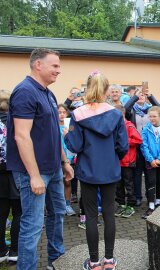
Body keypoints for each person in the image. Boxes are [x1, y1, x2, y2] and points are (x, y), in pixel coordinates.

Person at [6, 48, 74, 270]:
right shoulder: (25, 92)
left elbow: (54, 131)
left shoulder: (48, 93)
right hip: (33, 173)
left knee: (57, 215)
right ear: (38, 65)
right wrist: (34, 176)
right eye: (54, 66)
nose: (59, 71)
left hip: (53, 168)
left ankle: (56, 262)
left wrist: (64, 162)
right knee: (33, 225)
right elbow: (21, 136)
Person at [65, 71, 128, 270]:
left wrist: (68, 136)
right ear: (107, 90)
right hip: (109, 169)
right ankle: (109, 260)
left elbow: (74, 146)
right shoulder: (116, 114)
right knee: (109, 213)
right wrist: (111, 157)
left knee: (91, 216)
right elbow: (123, 146)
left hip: (88, 170)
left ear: (88, 87)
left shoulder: (78, 114)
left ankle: (94, 262)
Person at [125, 87, 160, 207]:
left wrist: (150, 96)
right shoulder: (132, 111)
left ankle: (150, 197)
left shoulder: (150, 110)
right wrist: (134, 97)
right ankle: (138, 196)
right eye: (138, 95)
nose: (141, 96)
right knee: (137, 173)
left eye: (142, 95)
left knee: (150, 173)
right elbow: (125, 108)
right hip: (137, 146)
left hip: (150, 146)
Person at [0, 89, 21, 264]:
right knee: (18, 213)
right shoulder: (16, 121)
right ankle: (15, 251)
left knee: (1, 213)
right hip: (16, 171)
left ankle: (1, 251)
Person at [140, 106, 160, 219]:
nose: (152, 118)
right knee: (151, 181)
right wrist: (151, 159)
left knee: (159, 181)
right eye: (150, 116)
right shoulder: (146, 128)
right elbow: (144, 145)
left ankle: (158, 202)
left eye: (154, 116)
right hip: (150, 160)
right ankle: (151, 205)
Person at [114, 105, 142, 218]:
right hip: (117, 161)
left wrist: (124, 141)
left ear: (122, 114)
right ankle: (121, 204)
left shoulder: (129, 125)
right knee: (118, 185)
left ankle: (130, 206)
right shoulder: (114, 127)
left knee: (129, 184)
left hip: (128, 161)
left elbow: (138, 140)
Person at [58, 104, 76, 216]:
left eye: (63, 112)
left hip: (69, 158)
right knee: (56, 183)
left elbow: (74, 139)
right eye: (59, 112)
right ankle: (57, 206)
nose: (61, 114)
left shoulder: (70, 126)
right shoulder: (52, 125)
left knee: (67, 181)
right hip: (57, 158)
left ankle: (67, 205)